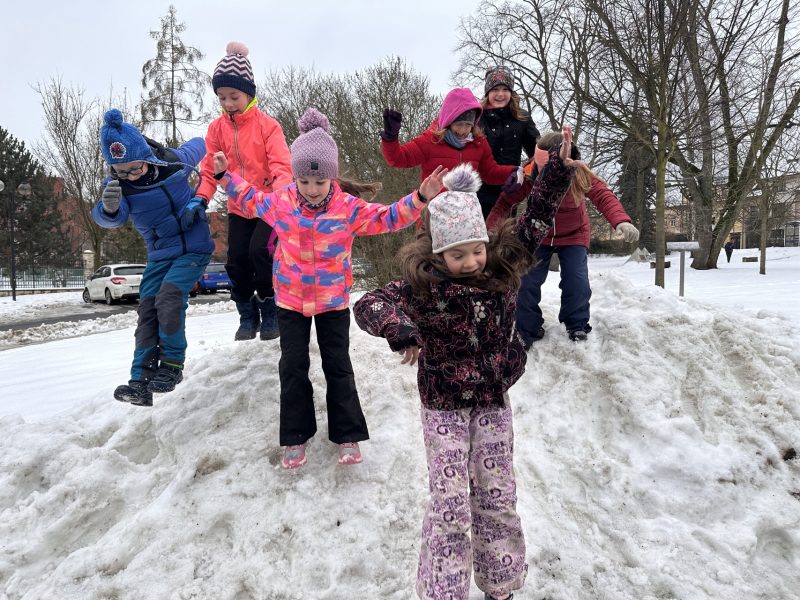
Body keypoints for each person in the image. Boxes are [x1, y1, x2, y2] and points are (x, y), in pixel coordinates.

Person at [353, 126, 579, 600]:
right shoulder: (423, 286)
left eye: (476, 249)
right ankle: (444, 590)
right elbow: (370, 303)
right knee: (450, 505)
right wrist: (401, 329)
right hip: (444, 406)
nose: (472, 261)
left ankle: (501, 583)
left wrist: (556, 170)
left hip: (492, 401)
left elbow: (535, 219)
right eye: (458, 255)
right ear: (438, 252)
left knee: (497, 495)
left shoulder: (499, 267)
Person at [212, 108, 448, 469]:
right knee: (293, 367)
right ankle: (295, 436)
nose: (311, 189)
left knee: (338, 365)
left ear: (332, 178)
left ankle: (347, 433)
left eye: (319, 182)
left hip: (332, 302)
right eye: (304, 181)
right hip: (290, 302)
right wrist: (224, 176)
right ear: (295, 176)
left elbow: (387, 217)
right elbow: (250, 199)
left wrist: (419, 197)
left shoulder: (347, 209)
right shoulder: (282, 203)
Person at [92, 109, 213, 407]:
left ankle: (171, 366)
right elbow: (110, 218)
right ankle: (140, 381)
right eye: (121, 171)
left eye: (134, 169)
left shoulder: (174, 163)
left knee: (169, 297)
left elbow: (203, 143)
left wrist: (201, 194)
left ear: (146, 157)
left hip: (194, 247)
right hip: (159, 254)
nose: (129, 176)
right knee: (147, 306)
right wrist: (108, 208)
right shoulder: (120, 188)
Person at [487, 131, 640, 345]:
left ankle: (576, 324)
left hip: (574, 234)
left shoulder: (579, 172)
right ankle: (527, 328)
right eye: (540, 167)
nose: (544, 173)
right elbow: (505, 202)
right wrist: (489, 230)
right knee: (525, 280)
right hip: (539, 235)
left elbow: (603, 195)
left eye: (548, 167)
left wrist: (621, 220)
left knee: (576, 281)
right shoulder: (530, 173)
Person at [196, 41, 293, 341]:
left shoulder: (268, 126)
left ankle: (270, 308)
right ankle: (246, 313)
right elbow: (210, 169)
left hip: (268, 206)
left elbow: (282, 166)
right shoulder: (216, 129)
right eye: (222, 97)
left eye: (234, 96)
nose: (228, 103)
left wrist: (280, 197)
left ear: (249, 93)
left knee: (260, 252)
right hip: (239, 207)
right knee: (236, 259)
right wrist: (201, 197)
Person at [380, 87, 523, 195]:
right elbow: (398, 158)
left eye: (468, 125)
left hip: (465, 214)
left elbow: (490, 172)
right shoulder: (431, 141)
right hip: (433, 212)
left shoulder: (478, 143)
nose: (462, 130)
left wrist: (513, 172)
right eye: (458, 124)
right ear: (448, 121)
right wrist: (390, 138)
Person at [478, 66, 540, 218]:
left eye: (505, 89)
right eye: (495, 89)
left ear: (511, 92)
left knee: (503, 231)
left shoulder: (522, 118)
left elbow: (537, 153)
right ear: (488, 92)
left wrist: (524, 175)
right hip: (478, 191)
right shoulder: (477, 118)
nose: (500, 94)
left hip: (508, 192)